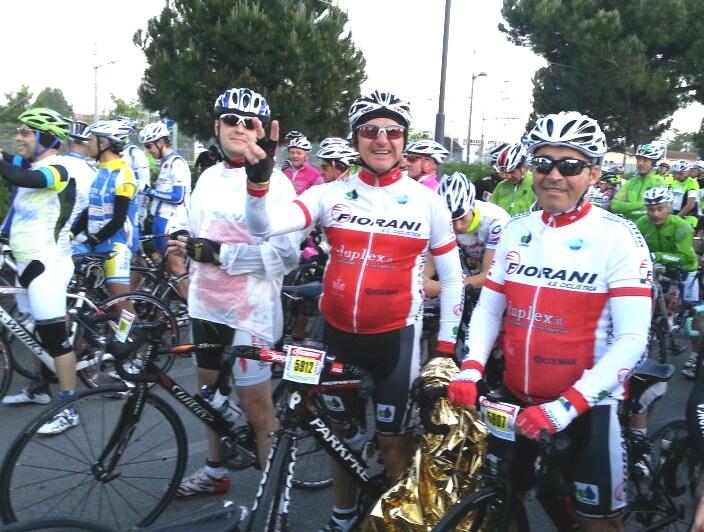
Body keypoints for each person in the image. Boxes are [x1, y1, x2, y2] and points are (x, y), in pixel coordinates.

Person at [243, 89, 464, 531]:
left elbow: (454, 278)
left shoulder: (427, 202)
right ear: (356, 138)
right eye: (369, 130)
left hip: (395, 341)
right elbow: (263, 226)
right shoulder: (330, 193)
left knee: (393, 444)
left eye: (393, 131)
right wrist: (259, 181)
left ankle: (397, 523)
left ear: (404, 140)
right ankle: (342, 517)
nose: (381, 140)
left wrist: (443, 349)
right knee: (340, 440)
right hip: (336, 335)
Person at [448, 111, 652, 531]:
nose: (554, 175)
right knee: (499, 499)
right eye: (543, 163)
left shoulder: (618, 236)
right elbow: (490, 307)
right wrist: (471, 367)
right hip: (515, 397)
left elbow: (633, 338)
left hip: (587, 407)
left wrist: (566, 407)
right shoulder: (517, 229)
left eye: (570, 165)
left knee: (597, 524)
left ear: (593, 173)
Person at [167, 87, 300, 497]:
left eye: (250, 123)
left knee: (257, 410)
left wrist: (220, 254)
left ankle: (271, 501)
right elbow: (189, 218)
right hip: (206, 304)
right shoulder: (207, 175)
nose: (239, 129)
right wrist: (179, 237)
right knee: (208, 397)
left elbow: (286, 256)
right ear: (216, 125)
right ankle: (214, 470)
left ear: (261, 131)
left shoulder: (275, 183)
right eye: (231, 120)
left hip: (251, 312)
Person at [0, 108, 87, 435]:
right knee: (34, 334)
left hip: (47, 264)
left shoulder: (58, 169)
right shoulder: (34, 163)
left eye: (26, 132)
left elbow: (21, 177)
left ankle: (69, 406)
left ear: (46, 138)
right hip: (24, 262)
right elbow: (14, 165)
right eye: (18, 131)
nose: (18, 137)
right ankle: (39, 388)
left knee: (54, 339)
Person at [71, 120, 139, 297]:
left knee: (121, 307)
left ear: (105, 144)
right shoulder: (101, 170)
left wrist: (91, 241)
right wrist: (71, 233)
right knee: (102, 305)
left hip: (117, 246)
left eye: (92, 139)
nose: (88, 143)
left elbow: (118, 220)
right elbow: (90, 209)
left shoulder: (124, 173)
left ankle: (135, 326)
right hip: (99, 245)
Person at [427, 171, 509, 294]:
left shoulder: (496, 220)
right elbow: (429, 264)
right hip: (471, 270)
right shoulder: (440, 219)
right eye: (451, 221)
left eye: (462, 218)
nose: (458, 226)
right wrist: (423, 283)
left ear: (472, 206)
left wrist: (442, 288)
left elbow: (489, 276)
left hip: (502, 275)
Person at [138, 121, 191, 296]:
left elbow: (178, 197)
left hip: (174, 224)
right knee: (168, 272)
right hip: (162, 222)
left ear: (160, 142)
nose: (148, 150)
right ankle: (165, 314)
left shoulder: (177, 163)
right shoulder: (165, 163)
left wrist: (149, 191)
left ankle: (198, 314)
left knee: (177, 269)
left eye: (149, 146)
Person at [611, 143, 665, 221]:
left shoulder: (659, 184)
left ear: (654, 163)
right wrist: (641, 204)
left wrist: (625, 207)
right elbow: (614, 206)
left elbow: (654, 213)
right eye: (638, 159)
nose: (640, 163)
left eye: (645, 160)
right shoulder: (631, 181)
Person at [490, 142, 536, 216]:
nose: (507, 176)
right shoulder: (501, 186)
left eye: (512, 172)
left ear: (523, 168)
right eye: (504, 172)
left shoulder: (536, 183)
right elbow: (491, 212)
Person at [670, 159, 700, 227]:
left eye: (681, 173)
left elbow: (691, 205)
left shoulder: (692, 182)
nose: (677, 176)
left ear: (688, 172)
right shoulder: (674, 182)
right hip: (674, 214)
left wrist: (677, 217)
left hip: (689, 216)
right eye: (676, 173)